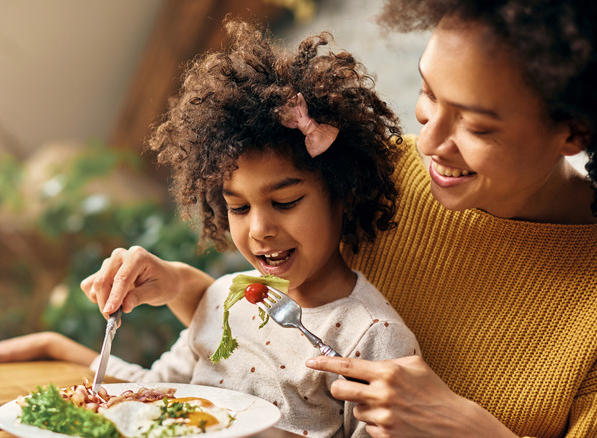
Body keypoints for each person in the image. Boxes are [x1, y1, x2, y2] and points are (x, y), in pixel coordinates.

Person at [78, 0, 597, 437]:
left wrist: (467, 426)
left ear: (574, 132)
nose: (432, 144)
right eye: (429, 95)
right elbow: (271, 319)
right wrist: (175, 283)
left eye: (478, 127)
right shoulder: (374, 173)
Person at [0, 19, 421, 438]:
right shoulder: (227, 299)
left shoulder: (372, 337)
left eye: (286, 202)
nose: (259, 229)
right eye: (238, 207)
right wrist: (59, 350)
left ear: (344, 194)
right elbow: (155, 391)